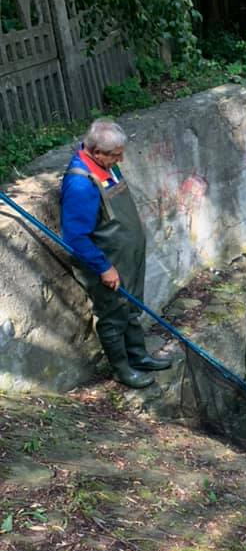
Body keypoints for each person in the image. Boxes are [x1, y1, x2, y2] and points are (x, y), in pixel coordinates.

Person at [60, 119, 171, 388]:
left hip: (127, 257)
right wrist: (104, 267)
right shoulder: (81, 184)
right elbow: (75, 237)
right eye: (115, 154)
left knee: (131, 308)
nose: (121, 159)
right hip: (107, 262)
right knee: (113, 316)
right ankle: (122, 370)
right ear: (96, 152)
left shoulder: (106, 166)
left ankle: (138, 355)